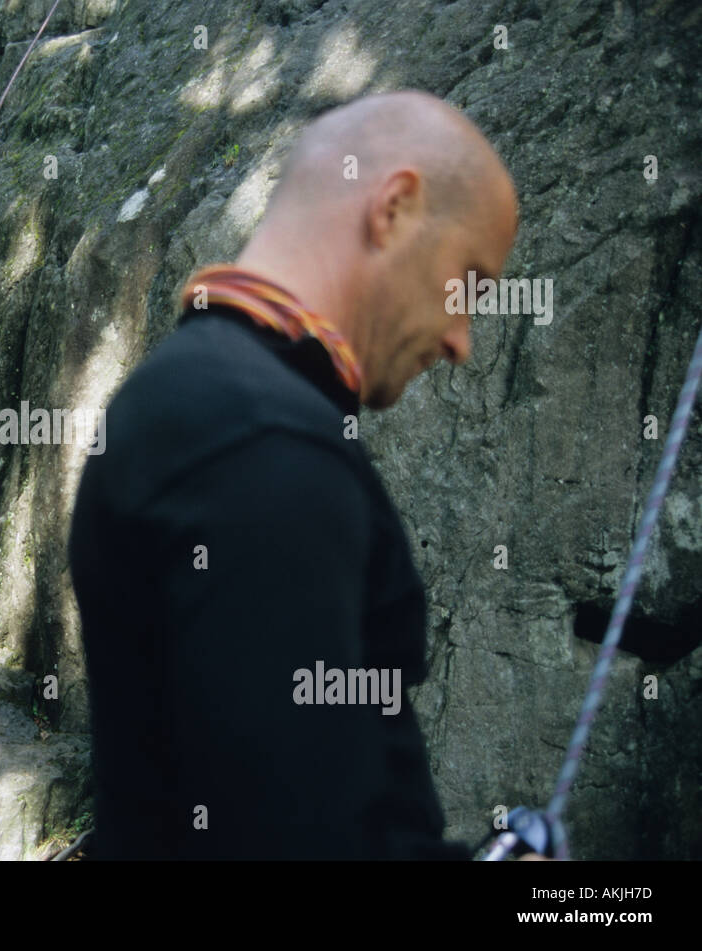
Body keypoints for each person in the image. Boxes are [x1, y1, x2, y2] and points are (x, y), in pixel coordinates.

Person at [68, 91, 519, 859]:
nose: (461, 340)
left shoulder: (198, 397)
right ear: (397, 207)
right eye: (468, 285)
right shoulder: (262, 444)